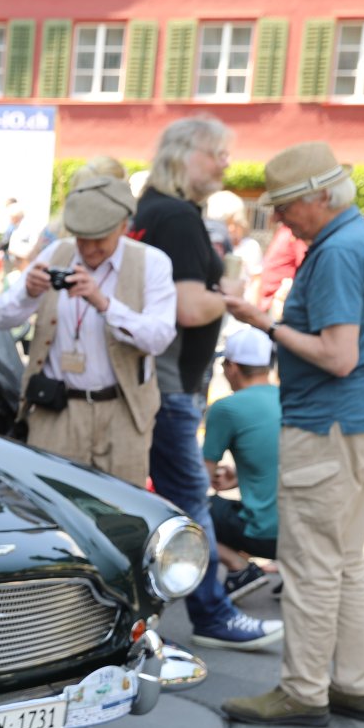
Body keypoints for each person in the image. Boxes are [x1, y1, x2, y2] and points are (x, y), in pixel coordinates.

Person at [221, 142, 364, 726]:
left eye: (286, 205)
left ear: (322, 196)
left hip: (327, 420)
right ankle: (353, 684)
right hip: (359, 417)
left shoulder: (338, 250)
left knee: (310, 565)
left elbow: (337, 355)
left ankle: (303, 691)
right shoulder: (358, 239)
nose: (279, 216)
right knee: (343, 560)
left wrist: (265, 323)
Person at [128, 116, 284, 650]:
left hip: (156, 379)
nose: (225, 163)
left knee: (161, 500)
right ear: (183, 154)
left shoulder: (152, 208)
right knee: (189, 501)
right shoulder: (176, 216)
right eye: (216, 153)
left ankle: (147, 617)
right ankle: (214, 616)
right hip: (170, 384)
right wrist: (231, 296)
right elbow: (190, 307)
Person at [0, 175, 176, 486]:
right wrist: (29, 294)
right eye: (81, 238)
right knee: (52, 501)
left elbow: (159, 338)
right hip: (56, 411)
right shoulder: (56, 253)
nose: (88, 249)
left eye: (98, 239)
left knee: (120, 506)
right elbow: (0, 319)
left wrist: (105, 304)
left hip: (123, 413)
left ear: (123, 226)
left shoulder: (152, 263)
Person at [200, 327, 280, 611]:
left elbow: (200, 478)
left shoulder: (226, 408)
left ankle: (238, 567)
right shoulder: (289, 398)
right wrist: (238, 477)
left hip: (265, 536)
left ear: (232, 367)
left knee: (186, 504)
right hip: (303, 531)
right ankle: (297, 570)